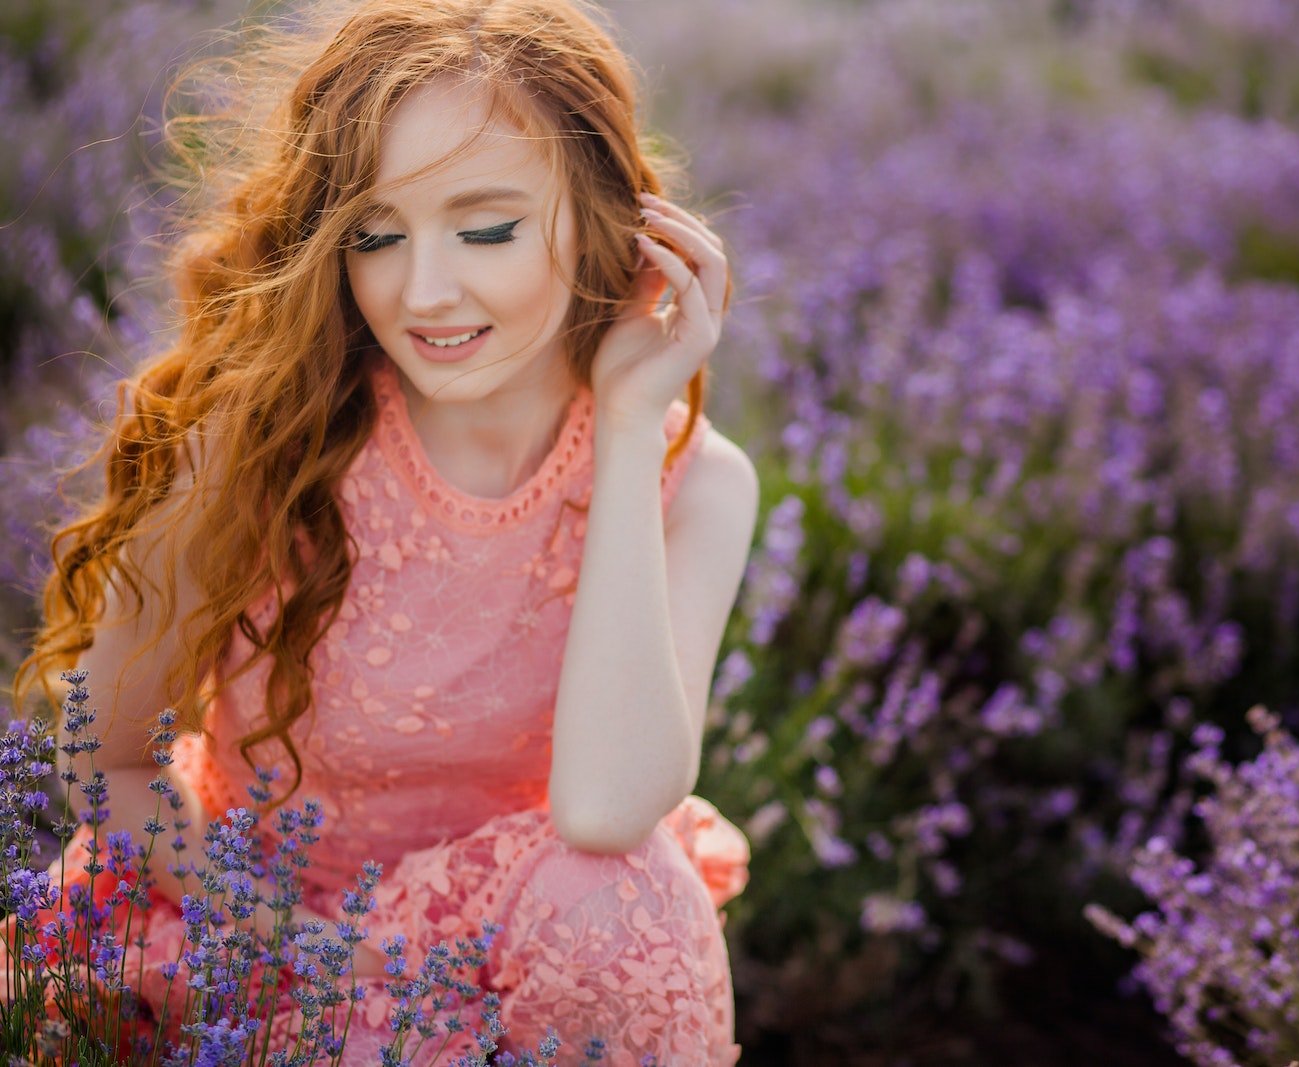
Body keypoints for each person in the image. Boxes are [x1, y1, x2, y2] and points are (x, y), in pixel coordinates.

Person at [12, 0, 759, 1062]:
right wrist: (280, 938)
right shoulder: (258, 437)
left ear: (607, 224)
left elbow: (602, 813)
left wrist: (631, 431)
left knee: (627, 890)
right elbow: (108, 756)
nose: (424, 290)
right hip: (255, 949)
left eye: (486, 228)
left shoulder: (698, 483)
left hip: (504, 955)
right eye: (375, 234)